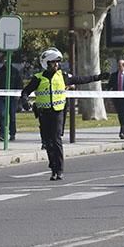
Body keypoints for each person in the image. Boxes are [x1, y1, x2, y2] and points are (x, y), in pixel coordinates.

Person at [21, 47, 108, 181]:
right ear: (46, 63)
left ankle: (60, 170)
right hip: (44, 114)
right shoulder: (38, 78)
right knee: (47, 142)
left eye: (57, 62)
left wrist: (98, 77)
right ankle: (53, 167)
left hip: (58, 113)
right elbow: (25, 91)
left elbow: (81, 79)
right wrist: (25, 101)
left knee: (56, 140)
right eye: (53, 62)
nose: (56, 65)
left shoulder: (63, 76)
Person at [105, 59, 124, 139]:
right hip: (117, 98)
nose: (119, 67)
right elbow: (109, 85)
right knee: (120, 114)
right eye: (118, 65)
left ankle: (122, 131)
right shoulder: (114, 75)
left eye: (120, 65)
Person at [0, 62, 22, 142]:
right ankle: (2, 134)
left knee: (12, 116)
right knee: (2, 115)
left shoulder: (15, 71)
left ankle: (12, 134)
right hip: (1, 97)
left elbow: (19, 83)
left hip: (12, 97)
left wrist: (18, 95)